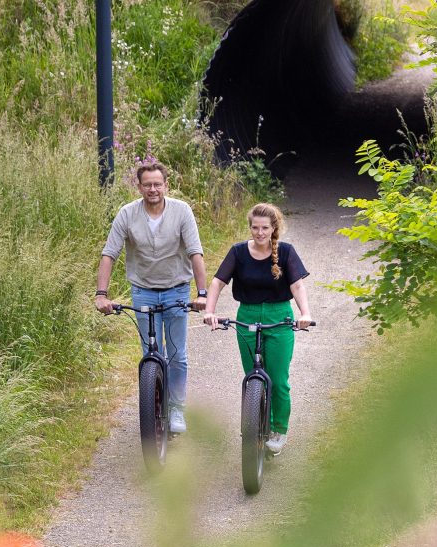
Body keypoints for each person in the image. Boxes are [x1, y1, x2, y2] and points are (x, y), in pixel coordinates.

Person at [95, 161, 208, 434]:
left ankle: (177, 409)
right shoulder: (127, 214)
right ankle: (154, 407)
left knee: (177, 353)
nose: (153, 189)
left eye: (158, 184)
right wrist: (101, 294)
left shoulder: (182, 211)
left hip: (176, 288)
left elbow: (195, 252)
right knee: (151, 353)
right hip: (143, 289)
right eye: (147, 185)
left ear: (166, 185)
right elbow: (109, 253)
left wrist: (202, 294)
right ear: (139, 187)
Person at [202, 202, 311, 454]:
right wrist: (210, 311)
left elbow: (297, 286)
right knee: (253, 375)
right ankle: (255, 423)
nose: (259, 233)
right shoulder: (238, 252)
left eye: (264, 228)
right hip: (247, 315)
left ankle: (278, 429)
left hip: (279, 317)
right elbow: (218, 283)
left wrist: (305, 313)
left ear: (274, 228)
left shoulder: (285, 252)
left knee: (278, 380)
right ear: (250, 227)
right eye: (254, 227)